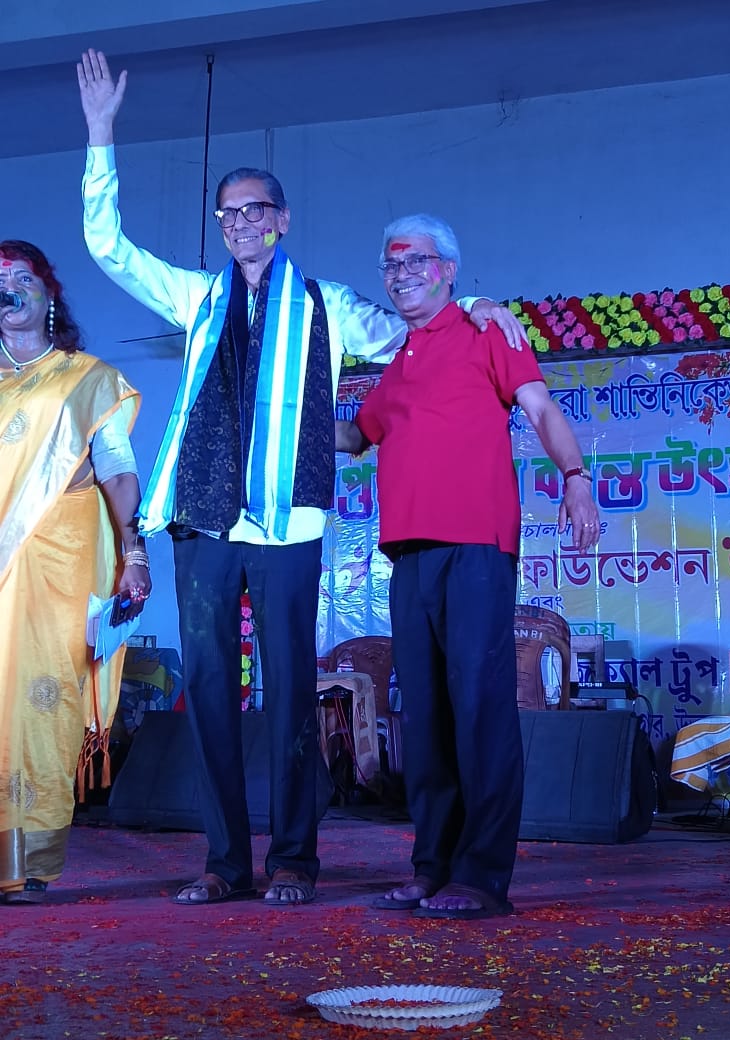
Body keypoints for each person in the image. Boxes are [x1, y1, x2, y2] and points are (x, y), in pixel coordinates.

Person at [76, 49, 525, 907]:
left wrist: (473, 302)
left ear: (281, 220)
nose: (240, 223)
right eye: (228, 212)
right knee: (210, 692)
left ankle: (293, 859)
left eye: (255, 209)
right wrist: (102, 134)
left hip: (287, 527)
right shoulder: (195, 297)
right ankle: (223, 862)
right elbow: (109, 248)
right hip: (202, 522)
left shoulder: (329, 306)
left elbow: (416, 325)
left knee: (287, 694)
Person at [335, 214, 600, 919]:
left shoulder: (489, 332)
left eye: (414, 262)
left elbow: (541, 409)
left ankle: (481, 875)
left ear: (448, 270)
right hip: (409, 554)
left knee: (480, 707)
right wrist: (276, 420)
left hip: (477, 547)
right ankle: (432, 866)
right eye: (391, 266)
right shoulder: (399, 361)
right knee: (425, 715)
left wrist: (575, 477)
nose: (400, 275)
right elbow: (355, 435)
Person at [0, 240, 150, 905]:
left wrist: (134, 554)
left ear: (49, 294)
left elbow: (117, 471)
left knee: (41, 706)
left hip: (58, 570)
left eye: (21, 277)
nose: (8, 288)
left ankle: (28, 861)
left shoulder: (87, 379)